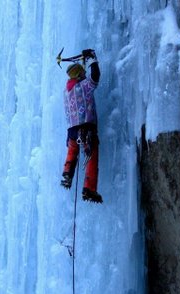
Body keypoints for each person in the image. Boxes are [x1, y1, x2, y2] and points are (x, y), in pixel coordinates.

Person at [61, 49, 103, 203]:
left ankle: (67, 175)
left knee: (72, 152)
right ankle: (89, 189)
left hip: (72, 131)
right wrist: (92, 59)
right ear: (79, 76)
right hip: (86, 128)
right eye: (82, 74)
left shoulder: (66, 92)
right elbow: (95, 76)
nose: (84, 76)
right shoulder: (83, 87)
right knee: (91, 155)